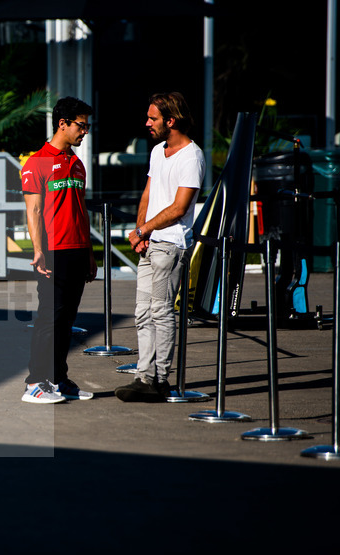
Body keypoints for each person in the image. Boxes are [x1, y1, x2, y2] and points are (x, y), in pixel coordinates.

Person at [115, 92, 206, 402]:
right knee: (142, 313)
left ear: (171, 120)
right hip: (151, 244)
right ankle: (145, 376)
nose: (147, 123)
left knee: (161, 313)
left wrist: (145, 228)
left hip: (172, 246)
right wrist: (140, 232)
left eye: (152, 118)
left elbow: (180, 208)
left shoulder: (191, 156)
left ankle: (160, 379)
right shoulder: (157, 151)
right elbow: (148, 195)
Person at [20, 97, 98, 404]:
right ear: (62, 124)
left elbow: (81, 212)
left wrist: (90, 253)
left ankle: (58, 379)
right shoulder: (37, 162)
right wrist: (38, 249)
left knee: (67, 321)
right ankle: (35, 383)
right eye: (81, 125)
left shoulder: (77, 164)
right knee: (49, 319)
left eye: (88, 126)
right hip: (54, 251)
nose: (85, 132)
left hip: (78, 250)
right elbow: (33, 210)